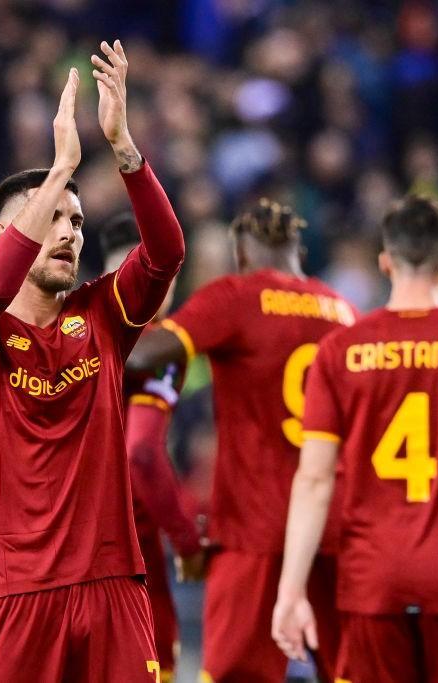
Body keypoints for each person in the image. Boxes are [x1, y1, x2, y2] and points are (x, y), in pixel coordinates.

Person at [0, 41, 184, 682]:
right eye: (52, 217)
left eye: (76, 219)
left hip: (110, 586)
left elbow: (165, 253)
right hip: (8, 594)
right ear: (4, 235)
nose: (69, 230)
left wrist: (124, 149)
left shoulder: (102, 315)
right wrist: (59, 168)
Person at [272, 195, 438, 682]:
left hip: (373, 582)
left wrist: (291, 591)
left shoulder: (340, 351)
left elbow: (314, 480)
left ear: (385, 263)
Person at [128, 199, 356, 682]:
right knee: (353, 672)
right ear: (298, 250)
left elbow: (144, 355)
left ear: (242, 254)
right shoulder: (345, 312)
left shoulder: (235, 296)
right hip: (338, 528)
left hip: (256, 528)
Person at [100, 212, 206, 682]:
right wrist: (186, 538)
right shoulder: (156, 343)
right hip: (126, 561)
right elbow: (140, 451)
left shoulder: (61, 324)